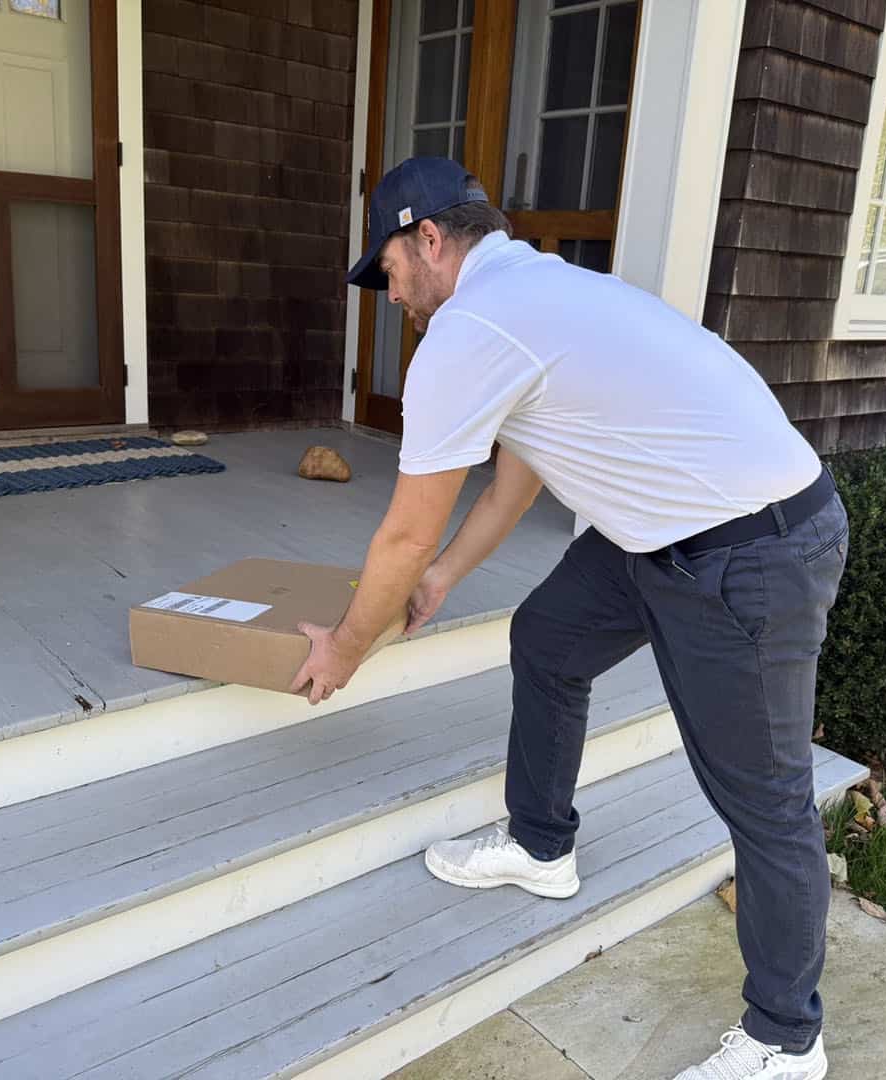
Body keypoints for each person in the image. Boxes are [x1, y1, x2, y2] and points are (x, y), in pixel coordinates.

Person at [291, 157, 847, 1080]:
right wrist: (444, 577)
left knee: (766, 803)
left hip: (750, 552)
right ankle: (541, 846)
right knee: (547, 638)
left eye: (386, 272)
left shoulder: (470, 327)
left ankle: (787, 1039)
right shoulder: (537, 293)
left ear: (429, 239)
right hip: (661, 535)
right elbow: (525, 465)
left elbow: (399, 533)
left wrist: (348, 647)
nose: (391, 298)